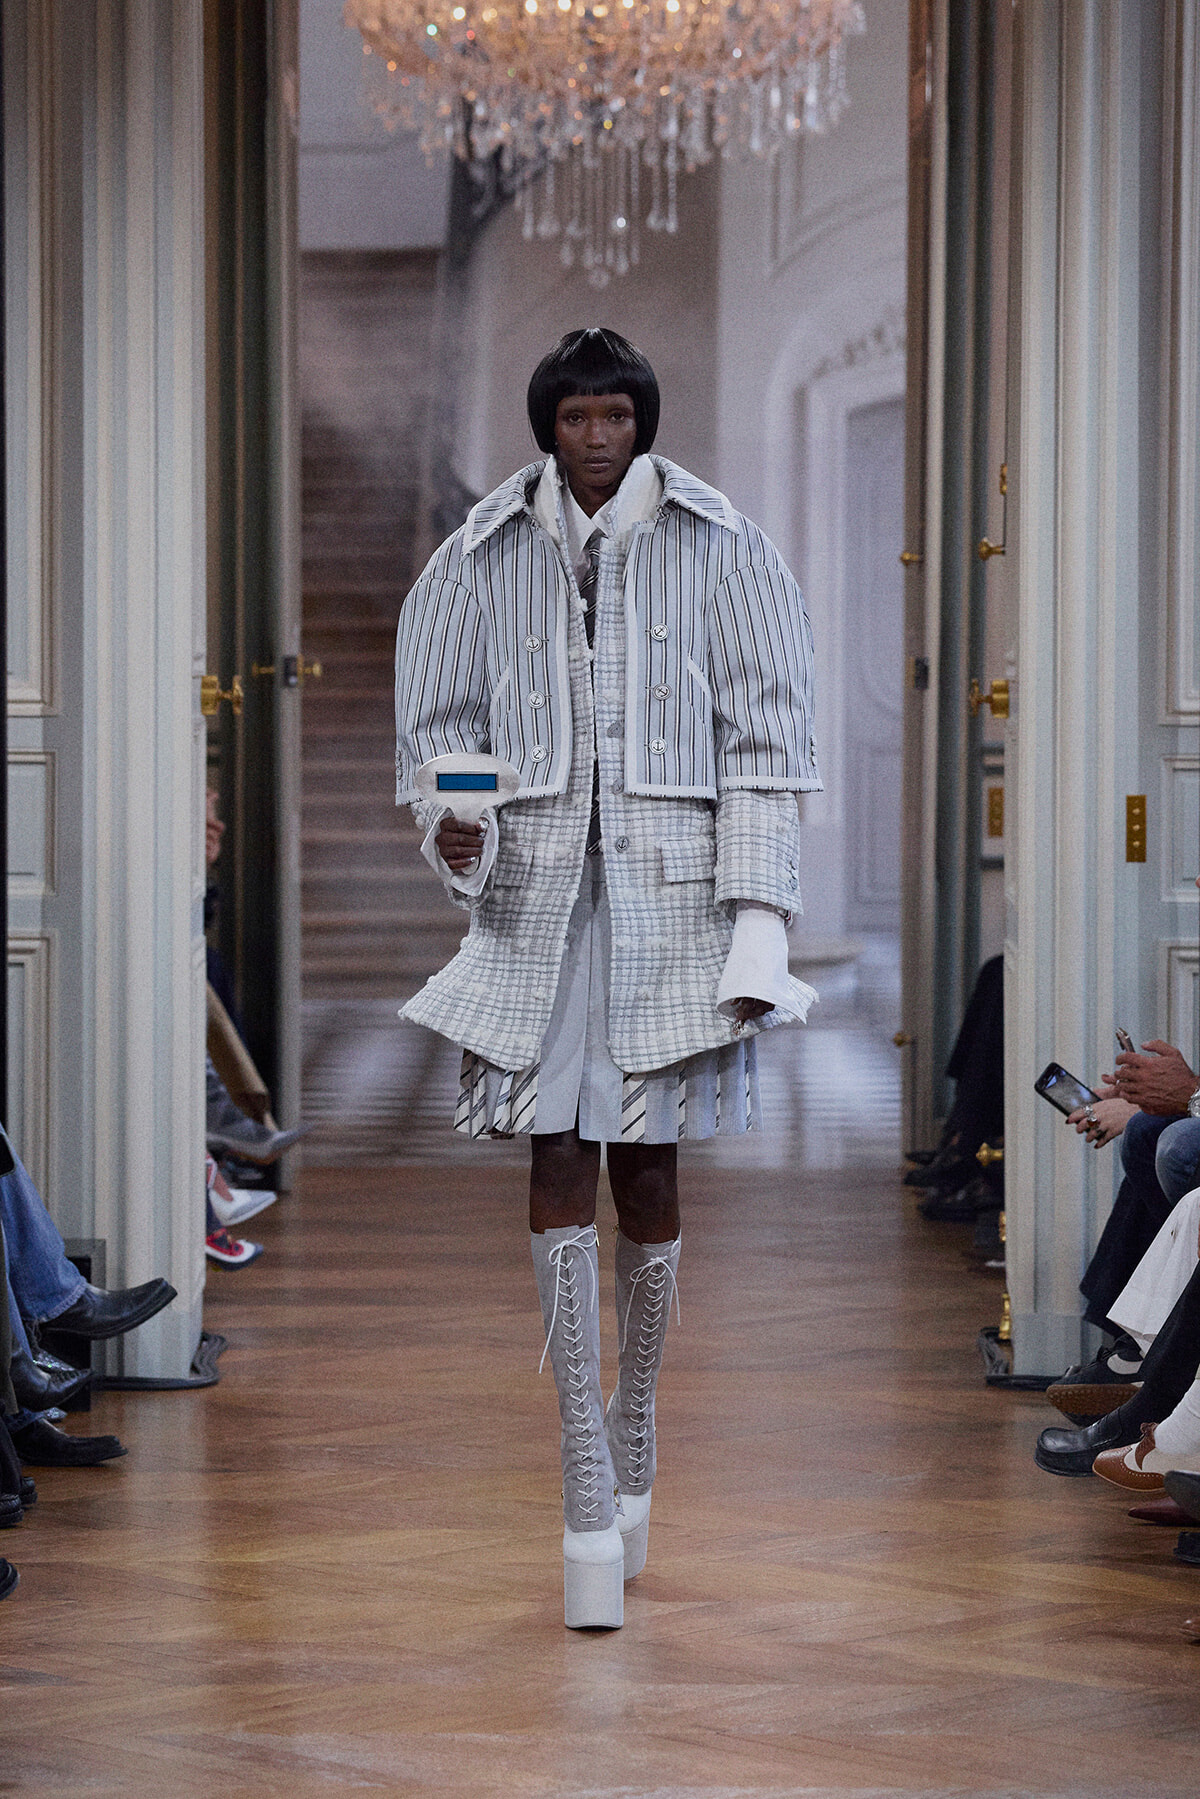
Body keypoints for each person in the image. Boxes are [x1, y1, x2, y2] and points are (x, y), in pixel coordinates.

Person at [394, 328, 820, 1629]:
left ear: (642, 420)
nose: (596, 438)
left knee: (649, 1164)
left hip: (671, 905)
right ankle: (584, 1461)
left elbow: (770, 739)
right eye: (577, 416)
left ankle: (636, 1416)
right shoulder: (479, 553)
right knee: (552, 1149)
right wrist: (459, 821)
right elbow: (445, 722)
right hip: (534, 905)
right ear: (549, 424)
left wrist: (760, 917)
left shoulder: (721, 543)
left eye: (615, 416)